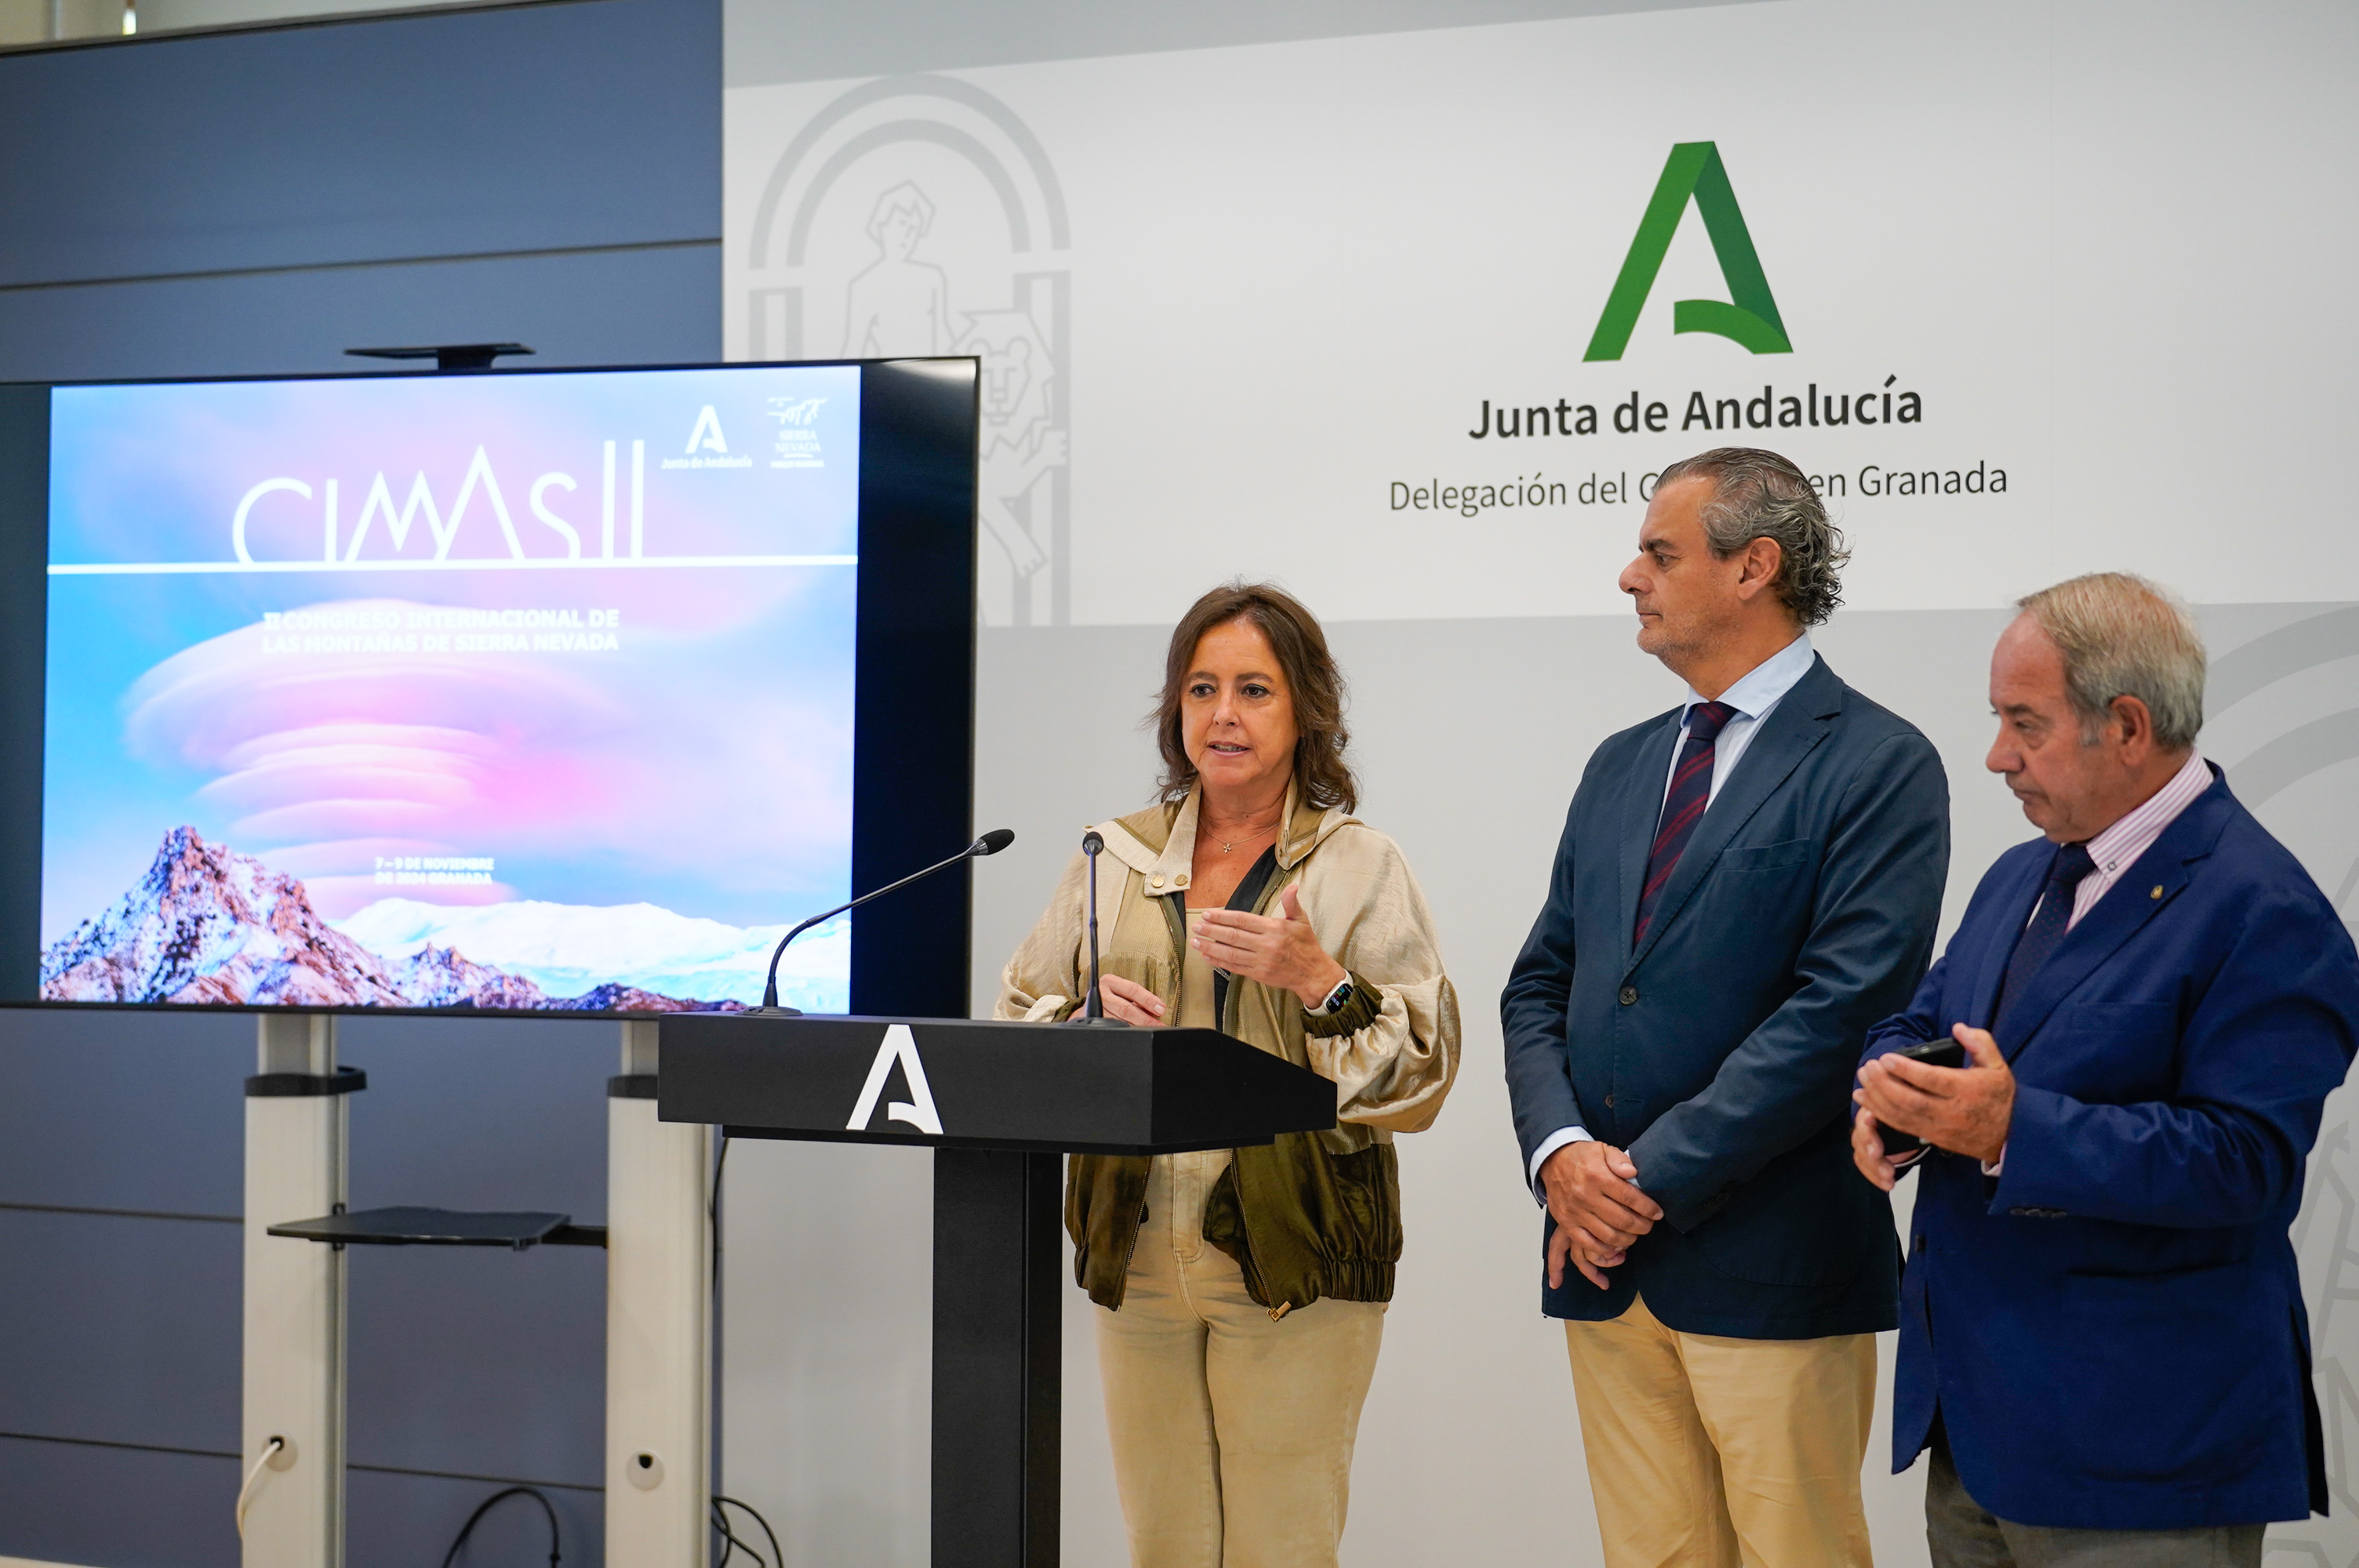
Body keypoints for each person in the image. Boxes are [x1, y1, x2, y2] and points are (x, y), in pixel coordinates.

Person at [1852, 573, 2359, 1566]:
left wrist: (2008, 1129)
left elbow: (2245, 1161)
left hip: (2138, 1451)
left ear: (2126, 725)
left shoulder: (2266, 908)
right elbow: (1923, 1018)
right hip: (1976, 1429)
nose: (1996, 755)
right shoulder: (2021, 872)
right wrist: (1894, 1090)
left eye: (2023, 723)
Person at [1502, 447, 1950, 1568]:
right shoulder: (1621, 764)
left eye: (1659, 552)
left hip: (1773, 1265)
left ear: (1753, 566)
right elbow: (1540, 986)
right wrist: (1562, 1154)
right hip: (1607, 1264)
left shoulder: (1882, 763)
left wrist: (1635, 1183)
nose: (1628, 577)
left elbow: (1838, 1016)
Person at [998, 580, 1459, 1568]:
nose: (1223, 714)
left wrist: (1318, 981)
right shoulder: (1110, 855)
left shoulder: (1353, 865)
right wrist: (1079, 1022)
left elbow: (1420, 1072)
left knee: (1278, 1547)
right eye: (1201, 688)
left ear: (1304, 710)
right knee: (1162, 1545)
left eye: (1253, 689)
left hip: (1292, 1252)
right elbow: (1018, 1013)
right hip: (1136, 1243)